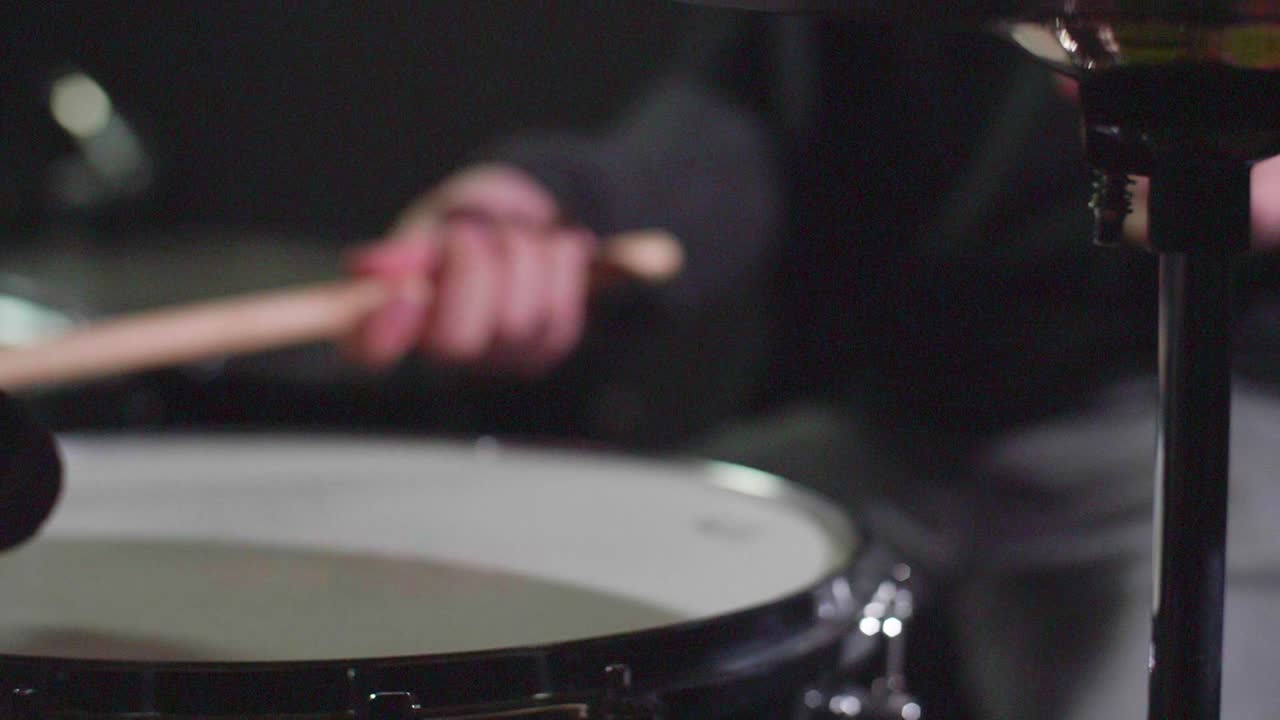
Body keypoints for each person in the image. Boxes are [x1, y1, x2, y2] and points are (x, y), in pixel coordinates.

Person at [343, 12, 1280, 720]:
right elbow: (744, 112)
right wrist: (546, 205)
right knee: (528, 609)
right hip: (885, 419)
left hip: (1185, 419)